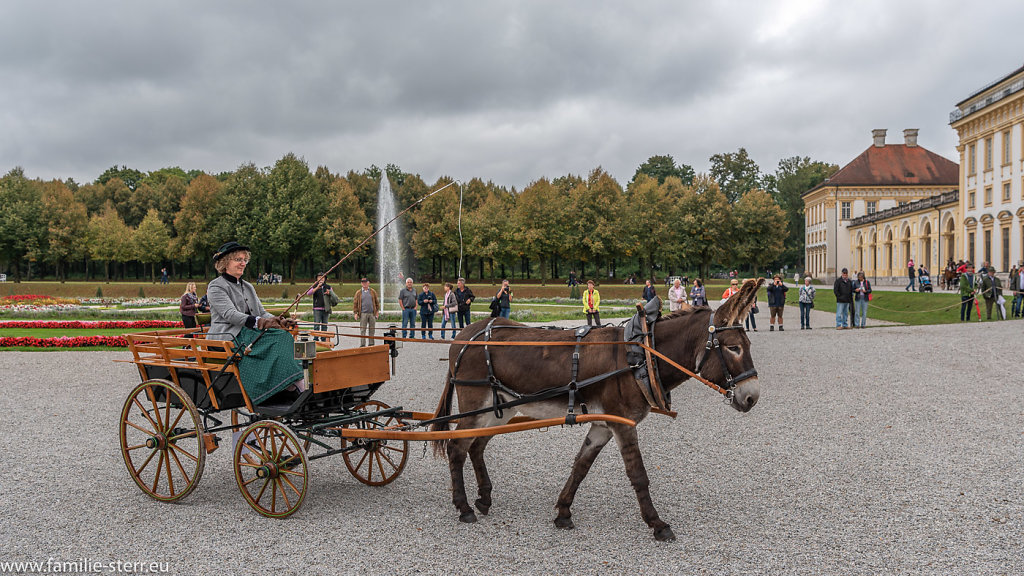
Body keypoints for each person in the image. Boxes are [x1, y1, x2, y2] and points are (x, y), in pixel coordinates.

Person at [206, 241, 296, 341]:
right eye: (238, 259)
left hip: (249, 335)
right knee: (280, 339)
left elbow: (261, 313)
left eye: (245, 260)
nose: (243, 264)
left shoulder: (248, 286)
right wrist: (261, 322)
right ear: (225, 262)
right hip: (226, 338)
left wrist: (279, 321)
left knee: (284, 336)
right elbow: (230, 314)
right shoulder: (216, 286)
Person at [305, 272, 337, 341]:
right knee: (316, 325)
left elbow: (334, 296)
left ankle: (323, 339)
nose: (321, 279)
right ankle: (316, 339)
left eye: (322, 277)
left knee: (324, 325)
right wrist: (317, 287)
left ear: (325, 279)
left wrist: (329, 293)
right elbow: (308, 293)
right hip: (317, 308)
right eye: (319, 277)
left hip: (326, 308)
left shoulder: (328, 287)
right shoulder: (314, 285)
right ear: (317, 279)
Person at [353, 277, 379, 347]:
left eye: (366, 282)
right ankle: (362, 344)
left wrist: (377, 312)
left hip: (372, 313)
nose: (364, 284)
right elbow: (355, 303)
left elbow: (376, 302)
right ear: (361, 283)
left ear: (368, 283)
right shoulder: (358, 292)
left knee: (372, 329)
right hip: (363, 313)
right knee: (362, 330)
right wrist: (355, 313)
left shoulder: (373, 291)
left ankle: (371, 344)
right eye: (363, 282)